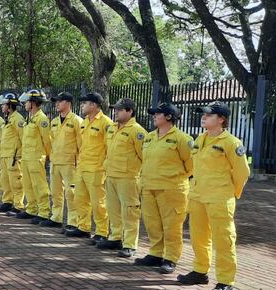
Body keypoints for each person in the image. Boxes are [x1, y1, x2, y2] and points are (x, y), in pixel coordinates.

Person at [177, 102, 250, 290]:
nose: (204, 117)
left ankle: (226, 281)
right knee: (198, 237)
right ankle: (200, 272)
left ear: (221, 119)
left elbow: (243, 172)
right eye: (204, 114)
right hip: (198, 196)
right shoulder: (200, 139)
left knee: (224, 240)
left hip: (219, 198)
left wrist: (230, 193)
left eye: (209, 115)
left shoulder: (232, 143)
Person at [135, 103, 193, 274]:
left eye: (157, 114)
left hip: (172, 189)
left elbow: (191, 165)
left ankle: (171, 257)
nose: (154, 116)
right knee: (152, 223)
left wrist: (173, 177)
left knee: (171, 226)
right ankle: (155, 253)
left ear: (168, 117)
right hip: (149, 186)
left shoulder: (182, 138)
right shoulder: (150, 137)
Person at [99, 98, 147, 257]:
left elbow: (144, 156)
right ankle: (115, 237)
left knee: (130, 212)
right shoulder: (112, 128)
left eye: (120, 110)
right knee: (113, 210)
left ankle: (130, 244)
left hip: (128, 177)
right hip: (111, 175)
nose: (116, 112)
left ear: (130, 111)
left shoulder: (137, 131)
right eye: (116, 109)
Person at [65, 92, 111, 243]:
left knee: (99, 203)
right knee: (80, 199)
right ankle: (83, 227)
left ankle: (102, 232)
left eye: (84, 103)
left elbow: (110, 147)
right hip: (82, 167)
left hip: (97, 169)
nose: (82, 106)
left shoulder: (106, 123)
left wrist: (104, 166)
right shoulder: (84, 121)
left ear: (93, 105)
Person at [43, 92, 82, 229]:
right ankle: (56, 217)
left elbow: (81, 144)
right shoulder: (54, 121)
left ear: (68, 103)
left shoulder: (77, 121)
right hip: (55, 162)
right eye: (56, 101)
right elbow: (51, 142)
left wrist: (79, 162)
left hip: (70, 162)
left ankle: (73, 221)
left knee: (71, 193)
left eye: (60, 101)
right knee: (55, 192)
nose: (57, 104)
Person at [16, 90, 52, 224]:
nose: (25, 104)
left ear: (33, 103)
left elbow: (47, 140)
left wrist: (47, 157)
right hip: (26, 157)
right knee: (28, 185)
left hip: (36, 158)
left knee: (39, 185)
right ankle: (31, 208)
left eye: (26, 102)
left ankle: (43, 211)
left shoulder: (42, 119)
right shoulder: (30, 118)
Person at [0, 93, 25, 212]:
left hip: (14, 156)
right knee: (5, 180)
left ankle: (18, 205)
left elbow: (23, 138)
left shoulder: (18, 119)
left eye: (3, 104)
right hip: (5, 155)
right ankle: (7, 201)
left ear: (10, 106)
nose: (2, 107)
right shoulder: (7, 118)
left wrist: (19, 155)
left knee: (16, 181)